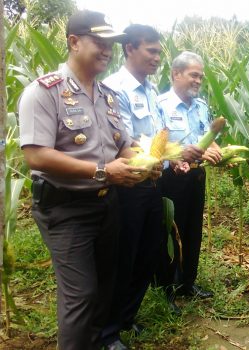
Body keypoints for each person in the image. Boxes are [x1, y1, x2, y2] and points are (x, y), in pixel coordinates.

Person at [18, 10, 146, 350]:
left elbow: (124, 146)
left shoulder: (107, 96)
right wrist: (104, 171)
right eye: (98, 42)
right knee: (81, 294)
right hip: (65, 209)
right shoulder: (44, 93)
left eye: (110, 44)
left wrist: (145, 163)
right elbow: (36, 155)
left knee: (105, 286)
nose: (107, 49)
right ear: (74, 42)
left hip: (107, 205)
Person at [100, 24, 165, 350]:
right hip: (128, 186)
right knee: (123, 258)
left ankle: (127, 316)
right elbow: (123, 142)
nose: (157, 57)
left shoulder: (152, 90)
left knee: (147, 254)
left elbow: (159, 136)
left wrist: (179, 152)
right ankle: (107, 333)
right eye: (150, 51)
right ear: (129, 49)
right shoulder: (114, 89)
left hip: (152, 183)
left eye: (158, 51)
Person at [157, 51, 221, 302]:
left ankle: (187, 283)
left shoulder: (201, 106)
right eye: (193, 75)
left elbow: (207, 137)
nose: (198, 81)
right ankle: (167, 289)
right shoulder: (160, 105)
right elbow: (157, 145)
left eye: (201, 77)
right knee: (171, 232)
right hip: (171, 178)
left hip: (196, 176)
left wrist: (215, 150)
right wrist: (181, 155)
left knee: (193, 230)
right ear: (176, 74)